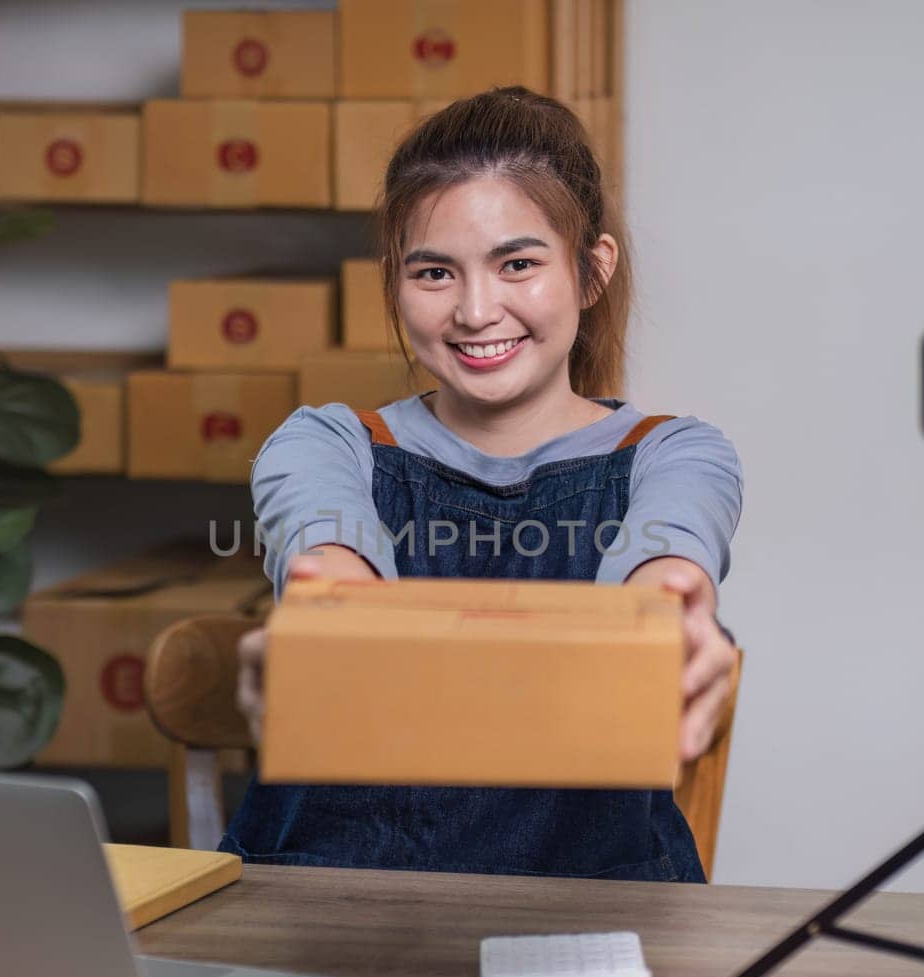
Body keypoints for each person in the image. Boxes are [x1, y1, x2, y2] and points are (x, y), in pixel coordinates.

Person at [219, 86, 742, 883]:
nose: (474, 309)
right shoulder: (324, 441)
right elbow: (326, 558)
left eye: (518, 264)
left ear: (591, 271)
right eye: (434, 271)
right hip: (323, 893)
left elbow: (666, 571)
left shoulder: (676, 454)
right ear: (395, 281)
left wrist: (668, 620)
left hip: (586, 901)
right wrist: (325, 620)